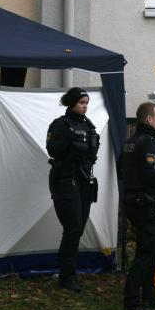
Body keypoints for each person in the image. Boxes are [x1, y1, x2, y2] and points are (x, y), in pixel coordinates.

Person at [120, 102, 155, 310]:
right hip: (144, 204)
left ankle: (149, 296)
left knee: (154, 249)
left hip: (134, 202)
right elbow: (151, 175)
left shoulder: (129, 142)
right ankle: (132, 301)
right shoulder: (148, 144)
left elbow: (121, 169)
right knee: (145, 252)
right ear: (149, 119)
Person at [46, 87, 100, 292]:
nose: (85, 106)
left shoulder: (89, 126)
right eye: (81, 103)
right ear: (71, 103)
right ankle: (67, 275)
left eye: (86, 103)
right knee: (73, 226)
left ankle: (66, 271)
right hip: (64, 178)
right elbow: (52, 149)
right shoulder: (60, 124)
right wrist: (71, 142)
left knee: (78, 227)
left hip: (84, 179)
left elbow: (91, 154)